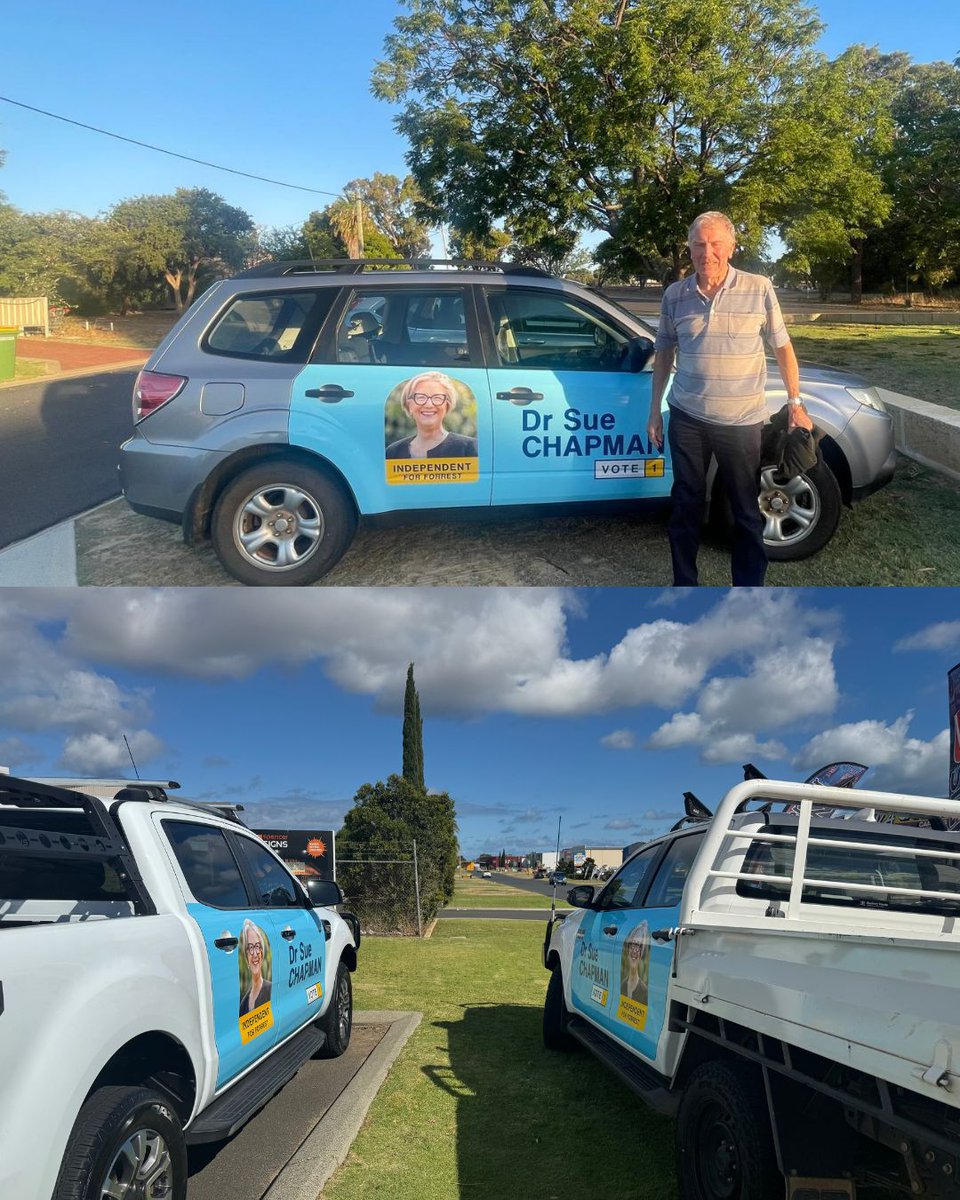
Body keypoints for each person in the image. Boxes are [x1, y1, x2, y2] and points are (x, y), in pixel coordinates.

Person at [646, 211, 813, 587]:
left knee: (744, 512)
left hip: (740, 421)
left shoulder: (758, 288)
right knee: (685, 506)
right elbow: (664, 354)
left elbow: (783, 347)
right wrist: (655, 409)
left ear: (731, 247)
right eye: (699, 245)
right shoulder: (675, 295)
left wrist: (796, 402)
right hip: (687, 415)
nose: (708, 252)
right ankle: (685, 586)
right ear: (689, 249)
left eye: (715, 244)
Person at [386, 371, 478, 459]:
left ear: (447, 405)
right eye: (421, 397)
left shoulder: (469, 448)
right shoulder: (392, 452)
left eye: (437, 398)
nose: (429, 405)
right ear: (409, 404)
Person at [239, 919, 272, 1016]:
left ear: (262, 952)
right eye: (250, 947)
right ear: (246, 957)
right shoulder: (243, 1004)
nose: (254, 954)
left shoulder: (271, 990)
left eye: (257, 946)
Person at [620, 922, 650, 1005]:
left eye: (638, 946)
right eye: (632, 945)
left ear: (642, 953)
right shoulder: (622, 985)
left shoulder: (645, 992)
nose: (634, 951)